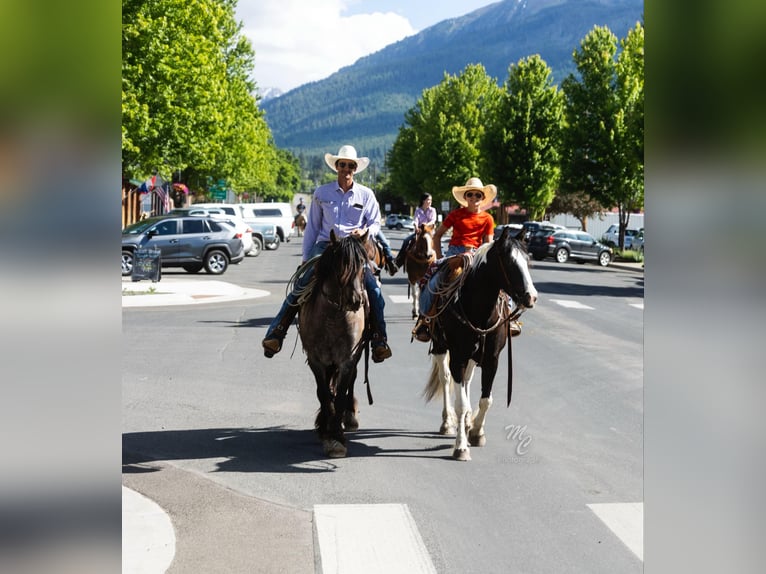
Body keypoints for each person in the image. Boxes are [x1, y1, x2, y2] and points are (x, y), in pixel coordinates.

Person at [262, 145, 393, 363]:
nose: (346, 169)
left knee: (374, 290)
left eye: (350, 165)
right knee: (301, 285)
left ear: (355, 168)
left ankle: (379, 339)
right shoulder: (322, 193)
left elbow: (375, 222)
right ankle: (277, 332)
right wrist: (306, 257)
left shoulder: (366, 194)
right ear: (337, 167)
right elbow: (312, 227)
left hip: (354, 249)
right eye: (342, 165)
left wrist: (366, 231)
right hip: (326, 246)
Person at [412, 177, 497, 342]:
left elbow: (488, 244)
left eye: (477, 195)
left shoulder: (488, 219)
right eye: (470, 195)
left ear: (482, 198)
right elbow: (437, 235)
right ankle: (425, 319)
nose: (473, 198)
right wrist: (442, 256)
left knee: (499, 282)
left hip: (477, 254)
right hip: (455, 253)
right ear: (465, 197)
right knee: (434, 281)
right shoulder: (456, 214)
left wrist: (481, 257)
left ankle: (508, 318)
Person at [394, 193, 437, 269]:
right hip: (420, 232)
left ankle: (440, 263)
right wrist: (416, 226)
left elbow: (433, 220)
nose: (430, 201)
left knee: (439, 244)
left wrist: (425, 225)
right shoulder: (418, 210)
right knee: (406, 241)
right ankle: (398, 262)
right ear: (423, 200)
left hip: (430, 232)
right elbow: (415, 220)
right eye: (428, 200)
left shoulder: (432, 210)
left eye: (431, 200)